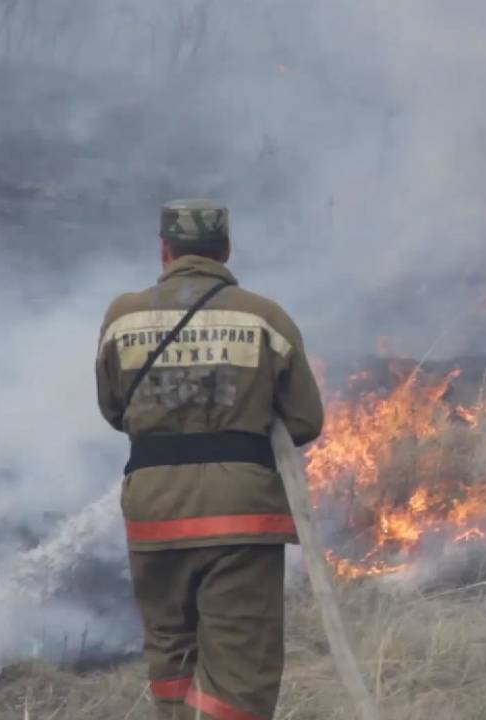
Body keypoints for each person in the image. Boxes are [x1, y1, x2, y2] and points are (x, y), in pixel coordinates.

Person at [96, 199, 324, 720]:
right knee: (242, 669)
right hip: (240, 517)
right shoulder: (264, 317)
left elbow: (114, 410)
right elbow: (305, 421)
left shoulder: (122, 317)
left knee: (170, 654)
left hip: (154, 512)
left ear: (165, 250)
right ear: (225, 250)